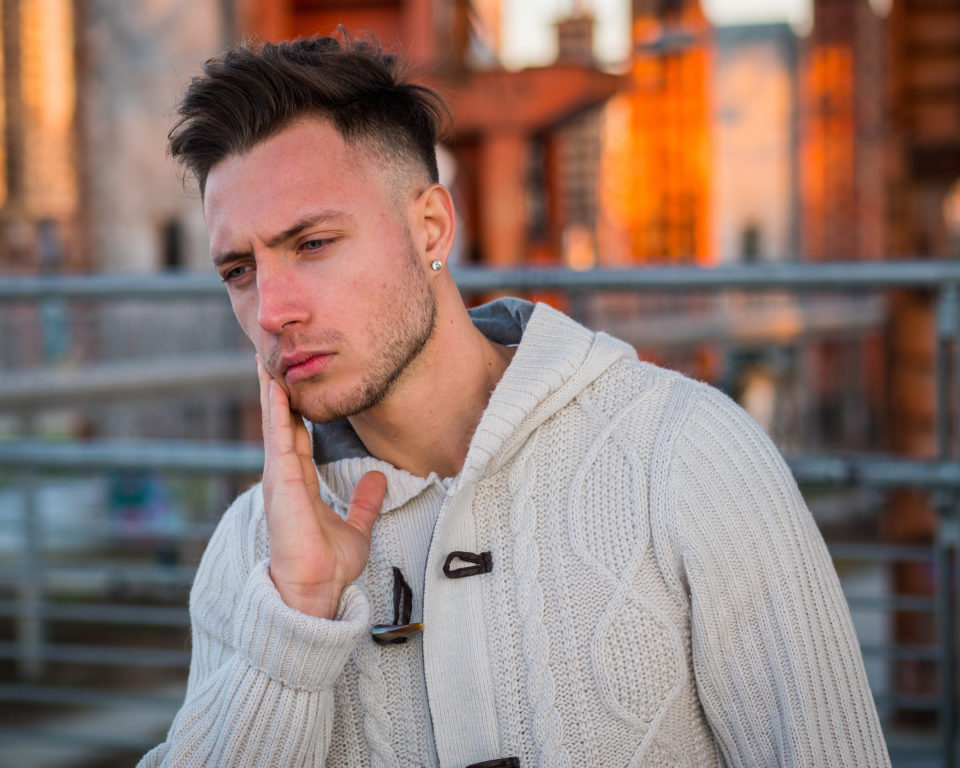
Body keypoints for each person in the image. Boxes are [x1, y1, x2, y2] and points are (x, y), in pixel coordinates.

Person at [140, 34, 890, 768]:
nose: (271, 310)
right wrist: (296, 616)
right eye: (239, 269)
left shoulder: (687, 455)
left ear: (431, 225)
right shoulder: (252, 553)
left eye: (312, 244)